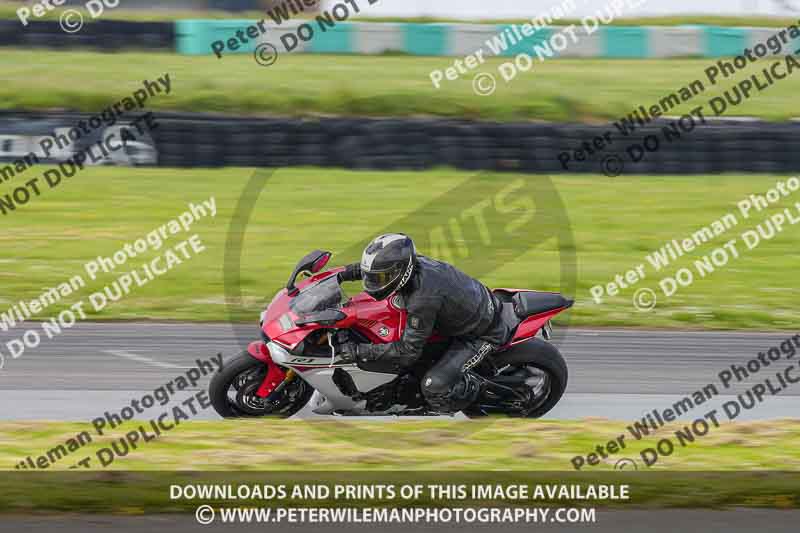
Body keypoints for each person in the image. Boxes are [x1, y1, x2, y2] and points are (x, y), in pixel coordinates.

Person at [336, 233, 513, 413]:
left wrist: (359, 351)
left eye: (380, 278)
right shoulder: (411, 264)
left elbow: (407, 352)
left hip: (482, 334)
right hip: (463, 315)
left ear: (400, 272)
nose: (373, 283)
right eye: (373, 277)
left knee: (434, 388)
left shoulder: (423, 299)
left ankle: (476, 395)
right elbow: (377, 269)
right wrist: (342, 274)